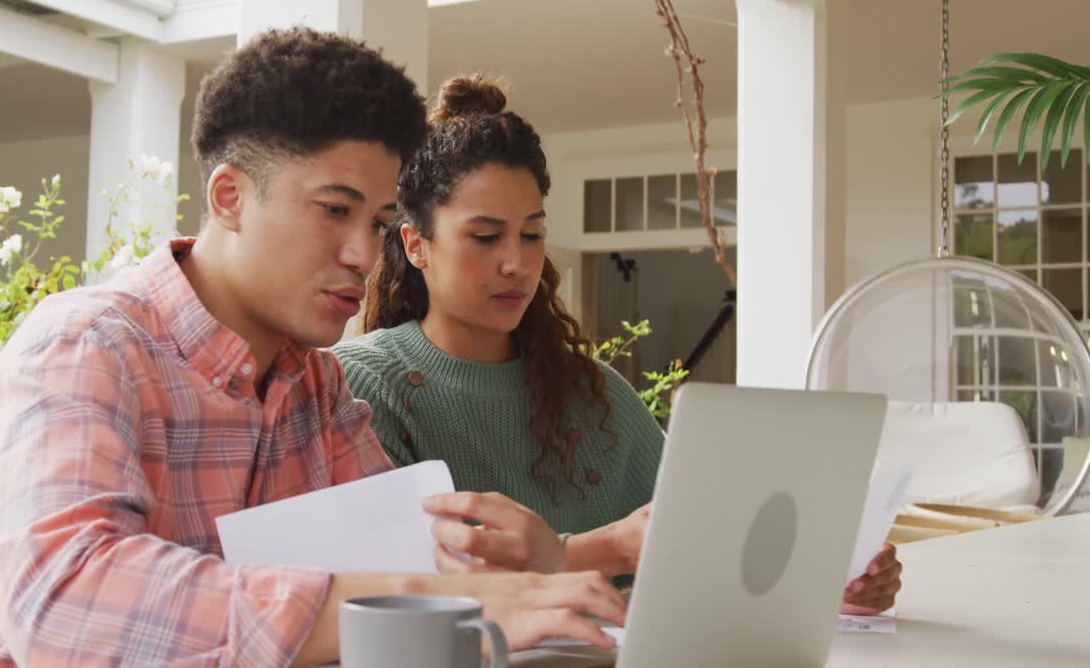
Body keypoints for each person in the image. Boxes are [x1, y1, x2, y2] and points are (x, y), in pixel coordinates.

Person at [0, 31, 628, 667]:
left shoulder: (314, 386)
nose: (363, 255)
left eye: (379, 223)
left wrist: (535, 573)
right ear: (229, 197)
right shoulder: (82, 349)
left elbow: (414, 555)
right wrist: (426, 597)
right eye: (334, 210)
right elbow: (68, 609)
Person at [333, 74, 902, 615]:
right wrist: (608, 550)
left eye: (531, 234)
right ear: (416, 245)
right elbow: (405, 595)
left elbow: (700, 552)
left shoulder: (593, 392)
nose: (517, 263)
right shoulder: (359, 387)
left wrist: (825, 586)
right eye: (485, 237)